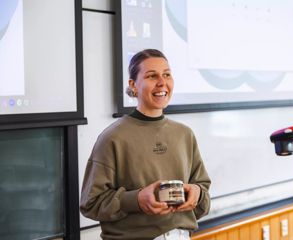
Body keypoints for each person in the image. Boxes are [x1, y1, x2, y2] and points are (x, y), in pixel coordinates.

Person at [80, 49, 211, 240]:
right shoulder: (112, 138)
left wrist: (198, 194)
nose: (162, 82)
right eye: (152, 76)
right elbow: (91, 203)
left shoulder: (184, 134)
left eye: (167, 74)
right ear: (133, 85)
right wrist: (136, 200)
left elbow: (203, 193)